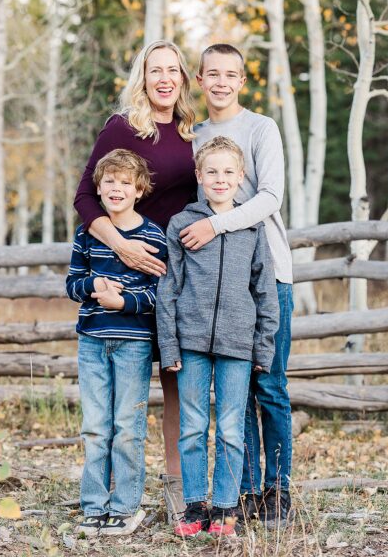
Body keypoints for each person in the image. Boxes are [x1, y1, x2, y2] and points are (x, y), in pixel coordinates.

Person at [73, 39, 199, 524]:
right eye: (154, 70)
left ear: (184, 78)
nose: (164, 78)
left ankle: (176, 492)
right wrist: (123, 247)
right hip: (126, 276)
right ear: (142, 78)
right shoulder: (123, 129)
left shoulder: (194, 132)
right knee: (117, 401)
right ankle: (105, 500)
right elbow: (86, 197)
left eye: (173, 70)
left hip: (176, 273)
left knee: (176, 383)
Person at [188, 44, 295, 528]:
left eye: (231, 75)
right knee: (235, 392)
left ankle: (277, 489)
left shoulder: (260, 128)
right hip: (218, 281)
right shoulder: (195, 136)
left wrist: (218, 226)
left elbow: (271, 195)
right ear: (200, 78)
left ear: (242, 81)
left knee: (268, 384)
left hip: (268, 271)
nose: (221, 83)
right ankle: (245, 491)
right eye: (213, 74)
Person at [157, 136, 279, 538]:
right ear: (199, 176)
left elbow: (265, 291)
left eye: (228, 172)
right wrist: (169, 345)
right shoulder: (182, 224)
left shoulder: (251, 226)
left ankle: (226, 507)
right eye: (212, 171)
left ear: (241, 176)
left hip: (237, 345)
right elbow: (169, 289)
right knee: (192, 426)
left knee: (230, 428)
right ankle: (194, 506)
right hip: (190, 344)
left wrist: (262, 346)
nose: (220, 179)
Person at [67, 150, 167, 537]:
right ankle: (93, 505)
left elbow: (160, 294)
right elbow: (73, 284)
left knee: (128, 425)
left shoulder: (153, 236)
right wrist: (93, 286)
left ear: (139, 190)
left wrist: (123, 301)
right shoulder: (88, 233)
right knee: (95, 426)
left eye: (126, 182)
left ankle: (125, 507)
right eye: (109, 181)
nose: (116, 188)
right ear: (99, 186)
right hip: (92, 341)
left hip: (133, 345)